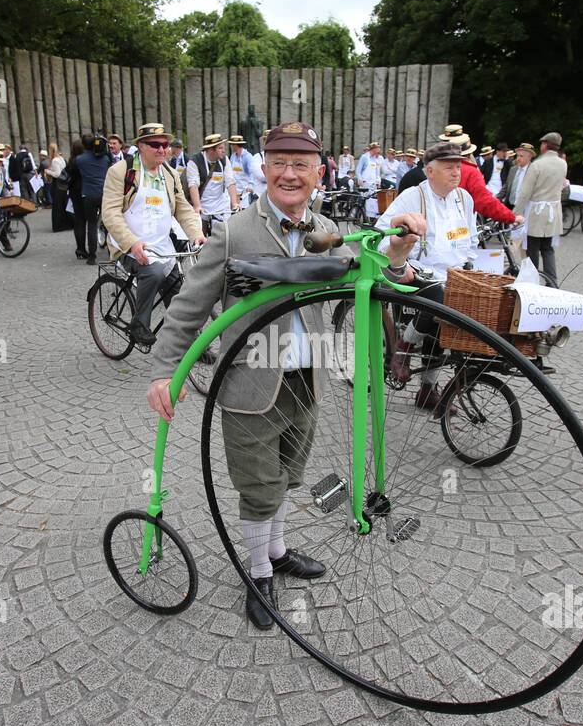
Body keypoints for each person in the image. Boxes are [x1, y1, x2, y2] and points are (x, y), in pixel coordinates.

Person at [145, 121, 423, 629]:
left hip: (305, 381)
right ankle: (257, 572)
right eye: (278, 163)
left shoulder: (327, 231)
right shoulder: (234, 232)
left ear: (319, 174)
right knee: (259, 484)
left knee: (288, 477)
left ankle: (275, 551)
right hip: (250, 384)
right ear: (264, 169)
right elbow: (188, 306)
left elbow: (371, 277)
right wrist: (166, 371)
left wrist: (399, 252)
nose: (289, 174)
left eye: (301, 165)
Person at [375, 140, 478, 410]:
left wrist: (472, 269)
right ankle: (404, 346)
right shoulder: (413, 196)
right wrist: (400, 261)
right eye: (449, 167)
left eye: (458, 167)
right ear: (430, 171)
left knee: (445, 324)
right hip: (417, 271)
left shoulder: (464, 199)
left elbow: (472, 240)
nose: (456, 172)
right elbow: (380, 233)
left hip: (454, 274)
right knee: (441, 303)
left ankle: (427, 390)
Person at [100, 122, 203, 345]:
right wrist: (132, 242)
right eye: (156, 144)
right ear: (141, 146)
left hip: (162, 246)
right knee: (154, 273)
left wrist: (196, 234)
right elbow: (110, 213)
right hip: (129, 246)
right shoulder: (121, 172)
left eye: (165, 145)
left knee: (179, 293)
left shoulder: (170, 174)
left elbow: (183, 208)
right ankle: (139, 324)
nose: (162, 149)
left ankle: (191, 344)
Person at [511, 132, 568, 286]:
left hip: (537, 211)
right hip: (553, 211)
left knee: (532, 248)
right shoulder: (562, 164)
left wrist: (515, 214)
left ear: (545, 145)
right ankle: (552, 282)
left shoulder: (537, 165)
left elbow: (525, 193)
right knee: (548, 248)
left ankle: (533, 281)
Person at [185, 132, 240, 236]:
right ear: (210, 150)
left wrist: (234, 203)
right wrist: (198, 206)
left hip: (220, 204)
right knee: (199, 235)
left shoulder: (224, 160)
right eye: (220, 148)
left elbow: (230, 182)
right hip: (203, 205)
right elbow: (193, 185)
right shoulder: (194, 162)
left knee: (225, 234)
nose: (223, 151)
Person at [69, 134, 112, 262]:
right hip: (104, 193)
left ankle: (92, 256)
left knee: (91, 225)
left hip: (88, 194)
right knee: (109, 224)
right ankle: (111, 252)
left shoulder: (80, 160)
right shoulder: (104, 158)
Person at [227, 134, 258, 205]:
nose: (231, 146)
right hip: (234, 190)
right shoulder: (233, 156)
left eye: (232, 144)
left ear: (235, 145)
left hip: (244, 191)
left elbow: (252, 173)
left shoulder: (247, 157)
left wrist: (250, 185)